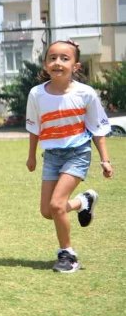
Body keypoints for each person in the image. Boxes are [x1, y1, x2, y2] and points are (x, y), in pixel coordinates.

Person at [25, 39, 113, 273]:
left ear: (75, 66)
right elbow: (34, 127)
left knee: (56, 205)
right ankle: (84, 201)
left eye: (65, 58)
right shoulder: (36, 94)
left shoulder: (86, 94)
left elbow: (97, 128)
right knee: (48, 211)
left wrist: (104, 159)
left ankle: (68, 255)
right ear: (45, 65)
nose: (58, 62)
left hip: (78, 153)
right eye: (52, 58)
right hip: (52, 156)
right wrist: (31, 156)